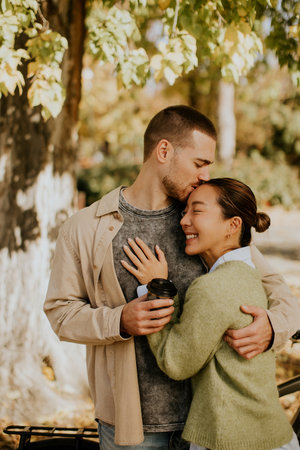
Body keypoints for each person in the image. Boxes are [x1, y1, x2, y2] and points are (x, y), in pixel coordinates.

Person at [44, 106, 300, 449]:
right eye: (199, 163)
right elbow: (60, 312)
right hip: (131, 426)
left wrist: (272, 327)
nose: (207, 176)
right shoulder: (85, 228)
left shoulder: (205, 221)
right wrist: (119, 320)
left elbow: (279, 292)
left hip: (210, 426)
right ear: (163, 151)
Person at [122, 178, 300, 450]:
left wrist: (157, 288)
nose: (183, 221)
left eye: (197, 211)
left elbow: (176, 362)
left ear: (233, 225)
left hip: (230, 439)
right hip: (270, 434)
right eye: (185, 212)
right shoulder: (249, 274)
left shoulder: (213, 287)